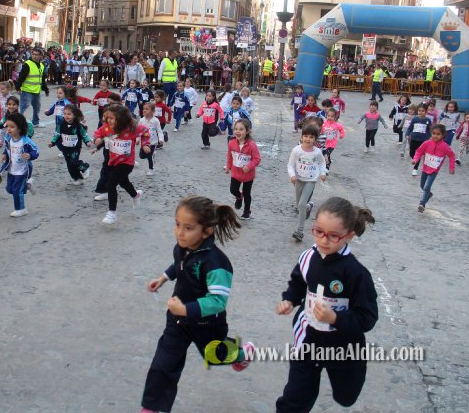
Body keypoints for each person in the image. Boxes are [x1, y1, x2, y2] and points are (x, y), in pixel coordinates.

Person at [140, 196, 254, 413]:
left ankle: (242, 354)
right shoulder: (183, 247)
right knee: (163, 364)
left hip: (206, 325)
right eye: (177, 224)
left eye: (188, 228)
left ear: (207, 231)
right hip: (177, 322)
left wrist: (186, 309)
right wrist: (163, 278)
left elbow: (218, 301)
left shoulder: (216, 263)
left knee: (215, 356)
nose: (179, 232)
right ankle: (151, 408)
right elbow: (180, 265)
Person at [275, 197, 378, 412]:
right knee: (295, 398)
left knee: (346, 396)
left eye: (333, 235)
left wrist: (336, 318)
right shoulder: (307, 257)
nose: (324, 240)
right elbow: (298, 282)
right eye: (318, 232)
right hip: (308, 340)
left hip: (343, 347)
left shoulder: (356, 273)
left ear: (348, 235)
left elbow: (367, 317)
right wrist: (289, 300)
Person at [91, 104, 150, 225]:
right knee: (124, 182)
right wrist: (97, 140)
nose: (108, 120)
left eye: (112, 118)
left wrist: (145, 144)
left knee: (111, 184)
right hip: (113, 161)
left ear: (121, 119)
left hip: (127, 162)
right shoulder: (107, 127)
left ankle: (112, 213)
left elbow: (145, 131)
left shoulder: (132, 128)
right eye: (107, 118)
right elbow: (98, 133)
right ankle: (136, 195)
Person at [288, 124, 328, 242]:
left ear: (315, 139)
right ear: (301, 137)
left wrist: (323, 173)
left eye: (311, 137)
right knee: (299, 205)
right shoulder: (296, 150)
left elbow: (322, 163)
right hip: (298, 180)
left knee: (301, 205)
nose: (308, 139)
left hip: (311, 180)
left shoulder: (317, 152)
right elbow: (290, 165)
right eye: (305, 136)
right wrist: (292, 175)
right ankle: (308, 206)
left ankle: (300, 231)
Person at [0, 113, 40, 217]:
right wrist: (4, 154)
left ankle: (21, 209)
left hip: (22, 170)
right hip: (12, 169)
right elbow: (7, 149)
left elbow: (36, 150)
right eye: (7, 126)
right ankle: (27, 185)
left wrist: (30, 155)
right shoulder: (8, 138)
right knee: (9, 189)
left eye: (12, 127)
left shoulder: (26, 141)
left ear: (20, 128)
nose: (9, 129)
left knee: (16, 190)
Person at [412, 124, 456, 212]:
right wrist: (415, 159)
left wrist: (451, 167)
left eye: (438, 134)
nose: (435, 136)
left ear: (443, 135)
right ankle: (428, 194)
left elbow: (452, 155)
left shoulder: (445, 146)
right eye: (434, 133)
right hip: (425, 168)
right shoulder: (427, 143)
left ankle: (422, 204)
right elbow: (419, 151)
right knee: (422, 186)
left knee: (426, 187)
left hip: (434, 171)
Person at [225, 119, 261, 219]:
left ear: (247, 131)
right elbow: (230, 156)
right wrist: (228, 166)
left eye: (241, 129)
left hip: (248, 175)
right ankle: (239, 197)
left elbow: (257, 159)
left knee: (247, 194)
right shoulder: (231, 143)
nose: (237, 131)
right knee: (233, 190)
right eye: (236, 129)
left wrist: (249, 166)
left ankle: (247, 212)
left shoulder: (252, 145)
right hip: (235, 173)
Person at [49, 104, 92, 185]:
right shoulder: (62, 124)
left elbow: (84, 134)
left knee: (73, 162)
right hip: (65, 148)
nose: (66, 116)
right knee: (69, 165)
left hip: (75, 148)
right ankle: (78, 178)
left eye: (69, 114)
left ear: (74, 115)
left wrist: (87, 141)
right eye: (65, 114)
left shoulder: (78, 126)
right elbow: (57, 134)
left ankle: (84, 167)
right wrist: (52, 142)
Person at [16, 47, 49, 127]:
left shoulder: (41, 65)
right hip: (27, 90)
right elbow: (21, 77)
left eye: (37, 55)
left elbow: (42, 78)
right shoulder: (27, 64)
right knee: (23, 107)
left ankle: (35, 122)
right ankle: (17, 122)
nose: (34, 56)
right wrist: (18, 87)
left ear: (41, 56)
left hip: (36, 91)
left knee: (37, 107)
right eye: (33, 54)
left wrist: (45, 89)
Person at [405, 104, 432, 176]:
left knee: (419, 153)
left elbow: (430, 130)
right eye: (419, 110)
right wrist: (407, 134)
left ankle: (415, 168)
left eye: (423, 111)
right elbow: (410, 128)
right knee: (411, 153)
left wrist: (430, 137)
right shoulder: (415, 119)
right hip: (414, 139)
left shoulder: (428, 120)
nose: (421, 112)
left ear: (426, 112)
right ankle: (416, 159)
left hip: (423, 140)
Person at [138, 102, 162, 176]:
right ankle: (153, 154)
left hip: (152, 142)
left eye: (147, 109)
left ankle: (151, 170)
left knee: (149, 156)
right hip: (144, 142)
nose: (144, 110)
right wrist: (137, 139)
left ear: (152, 111)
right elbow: (138, 131)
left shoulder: (155, 120)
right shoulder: (141, 120)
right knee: (141, 156)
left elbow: (159, 131)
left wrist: (160, 139)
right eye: (143, 109)